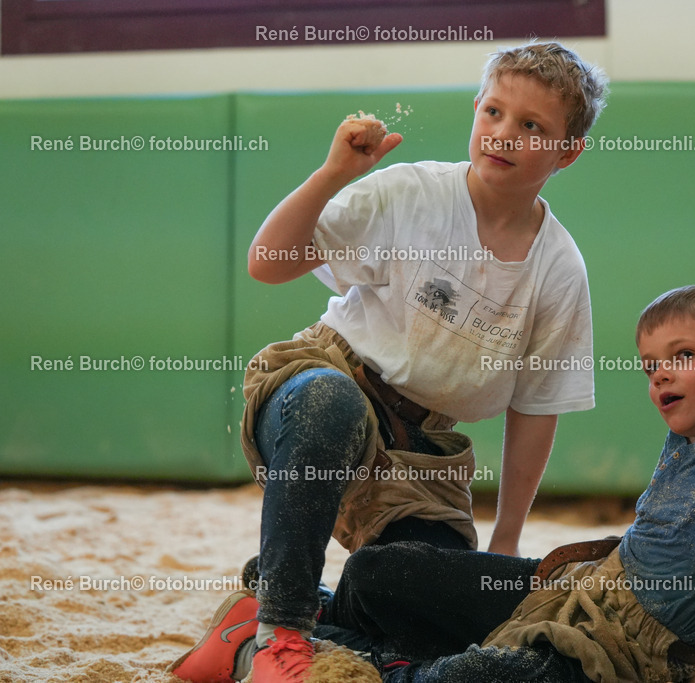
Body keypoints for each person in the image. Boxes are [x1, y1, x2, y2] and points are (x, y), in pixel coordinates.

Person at [170, 41, 609, 683]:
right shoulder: (412, 195)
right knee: (332, 404)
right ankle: (280, 633)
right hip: (321, 385)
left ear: (567, 151)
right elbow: (267, 264)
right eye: (493, 112)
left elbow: (535, 408)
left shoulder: (559, 269)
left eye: (531, 126)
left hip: (421, 453)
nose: (503, 134)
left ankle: (248, 622)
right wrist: (331, 176)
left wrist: (506, 540)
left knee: (407, 585)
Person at [327, 285, 695, 682]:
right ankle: (322, 616)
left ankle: (364, 660)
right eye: (650, 366)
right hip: (582, 591)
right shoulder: (692, 440)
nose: (661, 375)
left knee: (483, 674)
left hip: (625, 658)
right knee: (381, 569)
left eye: (683, 356)